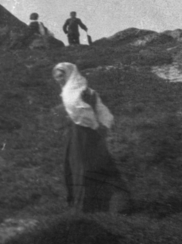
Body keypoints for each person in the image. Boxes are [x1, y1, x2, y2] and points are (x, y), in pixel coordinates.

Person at [53, 62, 131, 214]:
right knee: (78, 167)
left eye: (61, 76)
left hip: (86, 136)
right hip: (77, 136)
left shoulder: (81, 92)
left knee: (88, 167)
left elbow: (100, 113)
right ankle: (88, 207)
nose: (59, 80)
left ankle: (98, 207)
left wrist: (100, 126)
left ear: (70, 74)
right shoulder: (70, 92)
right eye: (56, 77)